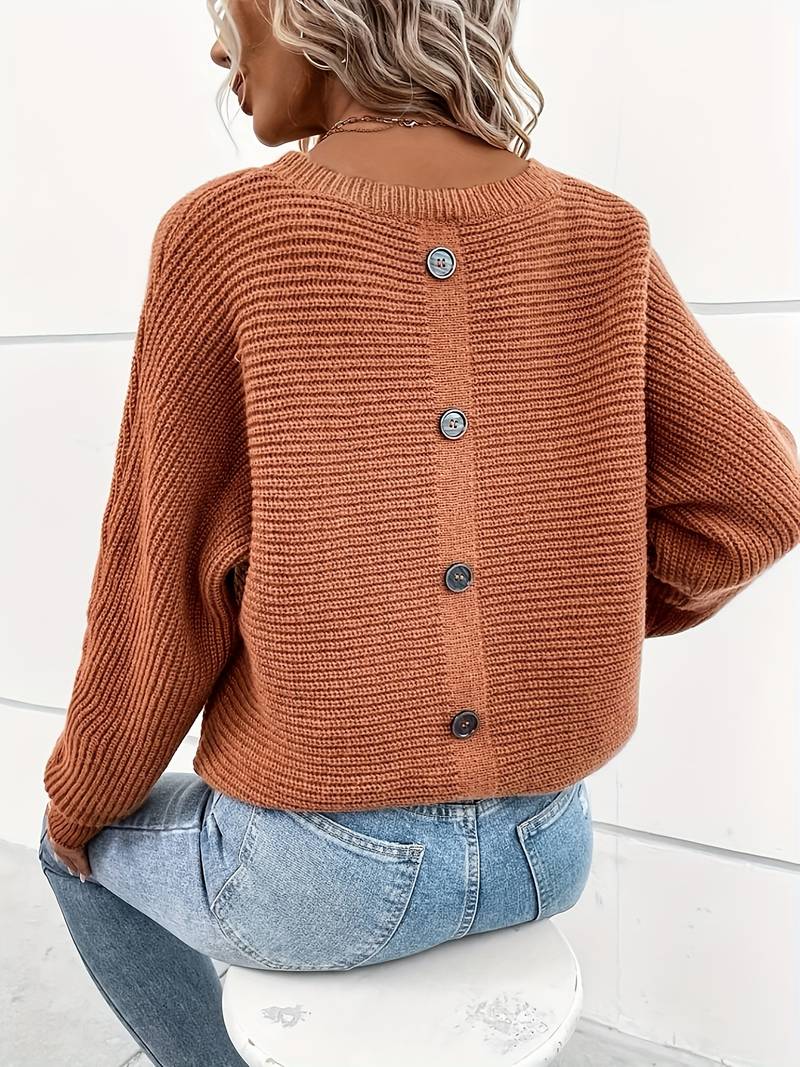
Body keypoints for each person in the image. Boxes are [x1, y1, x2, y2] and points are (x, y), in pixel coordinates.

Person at [38, 2, 800, 1066]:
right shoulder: (600, 230)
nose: (218, 48)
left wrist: (80, 799)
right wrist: (565, 590)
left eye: (226, 9)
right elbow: (759, 499)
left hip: (319, 876)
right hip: (547, 848)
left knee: (64, 849)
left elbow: (157, 581)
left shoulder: (227, 236)